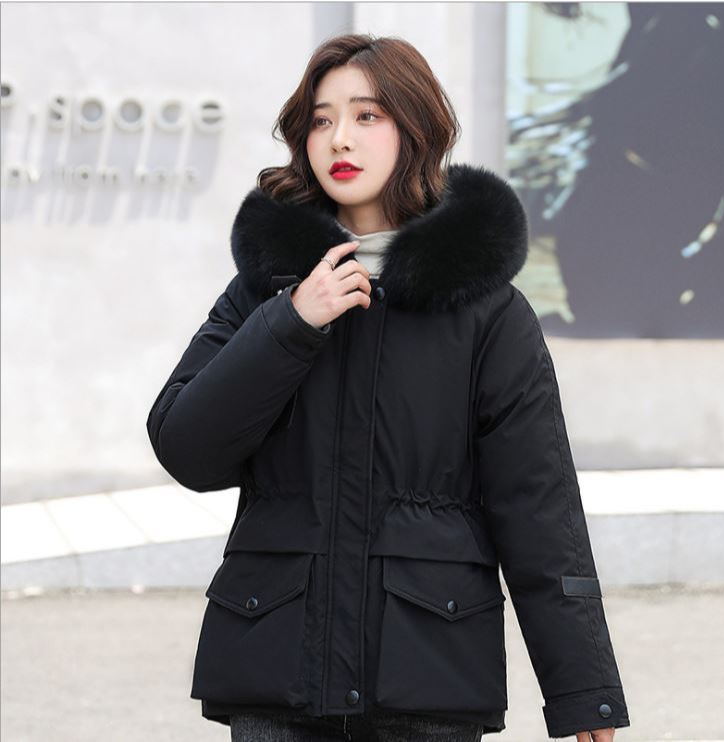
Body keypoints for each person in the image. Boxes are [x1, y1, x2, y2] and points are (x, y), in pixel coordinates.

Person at [146, 34, 630, 742]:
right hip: (279, 674)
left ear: (416, 129)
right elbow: (186, 447)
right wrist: (292, 323)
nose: (339, 137)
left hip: (426, 672)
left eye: (367, 115)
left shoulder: (485, 310)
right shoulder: (265, 291)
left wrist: (584, 690)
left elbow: (537, 503)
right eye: (321, 119)